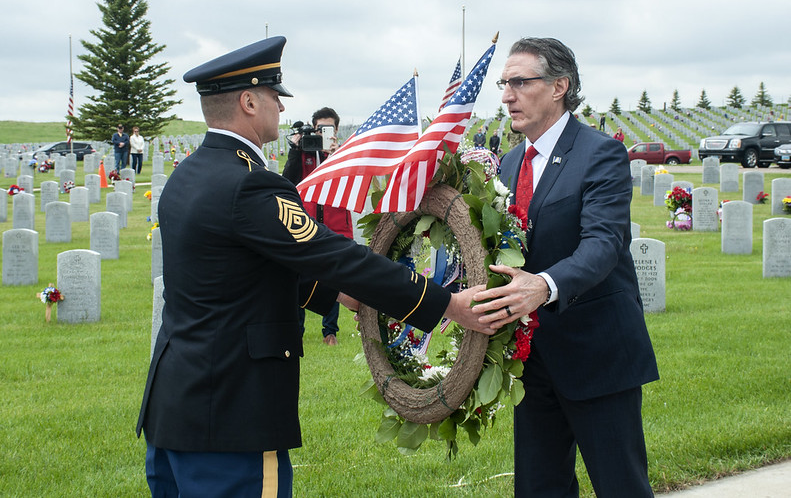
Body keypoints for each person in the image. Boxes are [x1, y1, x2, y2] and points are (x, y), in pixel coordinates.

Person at [135, 36, 507, 498]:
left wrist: (333, 295)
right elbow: (336, 255)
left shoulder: (188, 176)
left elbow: (244, 269)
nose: (280, 106)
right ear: (248, 102)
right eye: (274, 96)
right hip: (232, 418)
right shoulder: (249, 186)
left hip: (177, 407)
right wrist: (447, 303)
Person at [472, 37, 659, 497]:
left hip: (597, 354)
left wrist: (545, 286)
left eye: (519, 82)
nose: (507, 95)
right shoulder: (512, 161)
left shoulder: (600, 154)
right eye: (504, 83)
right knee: (539, 488)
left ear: (560, 86)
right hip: (532, 363)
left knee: (621, 487)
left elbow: (603, 245)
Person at [282, 107, 350, 345]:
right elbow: (288, 181)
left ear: (336, 129)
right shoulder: (304, 153)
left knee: (333, 278)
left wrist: (335, 157)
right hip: (305, 223)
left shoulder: (344, 155)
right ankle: (296, 331)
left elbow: (349, 187)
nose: (323, 133)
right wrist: (295, 148)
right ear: (313, 128)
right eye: (319, 128)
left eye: (328, 128)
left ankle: (330, 331)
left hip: (335, 223)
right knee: (299, 275)